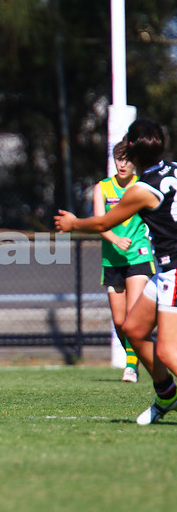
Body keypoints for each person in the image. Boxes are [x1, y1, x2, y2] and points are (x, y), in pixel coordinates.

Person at [55, 118, 177, 425]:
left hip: (174, 270)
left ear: (132, 149)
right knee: (133, 329)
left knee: (166, 350)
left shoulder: (142, 189)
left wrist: (72, 224)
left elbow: (101, 223)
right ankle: (167, 394)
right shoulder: (174, 169)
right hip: (164, 271)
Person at [93, 138, 155, 383]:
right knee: (120, 322)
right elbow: (99, 223)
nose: (123, 164)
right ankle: (135, 355)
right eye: (119, 158)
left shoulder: (144, 187)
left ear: (135, 161)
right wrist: (114, 240)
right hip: (112, 258)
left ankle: (131, 366)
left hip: (139, 255)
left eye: (128, 159)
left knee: (132, 315)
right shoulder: (103, 188)